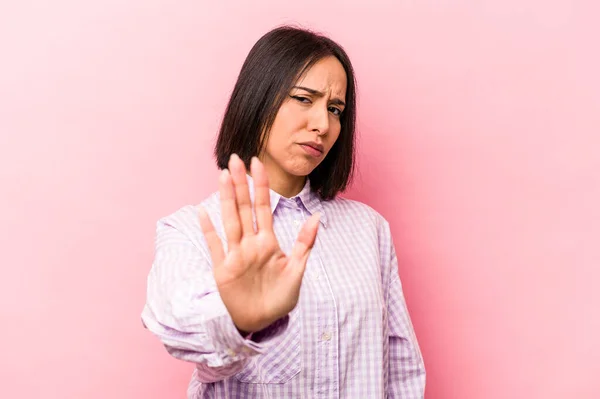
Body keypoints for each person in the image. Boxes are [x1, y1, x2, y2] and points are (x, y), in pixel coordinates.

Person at [141, 25, 426, 398]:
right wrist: (240, 320)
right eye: (304, 99)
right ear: (258, 99)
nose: (323, 125)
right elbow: (176, 325)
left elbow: (399, 368)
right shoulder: (192, 230)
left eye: (335, 109)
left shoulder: (368, 229)